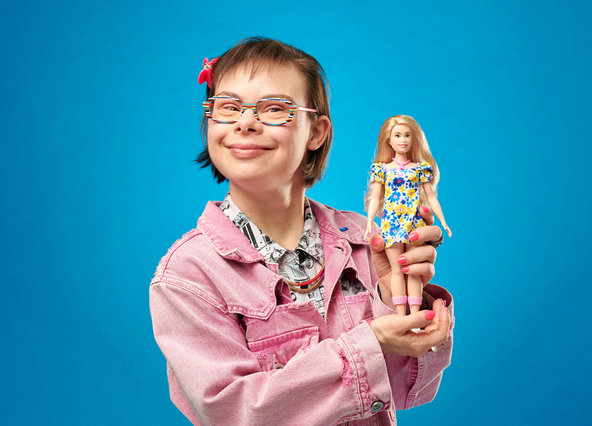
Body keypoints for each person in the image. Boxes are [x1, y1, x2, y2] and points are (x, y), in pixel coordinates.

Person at [149, 37, 454, 426]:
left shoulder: (361, 239)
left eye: (274, 108)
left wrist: (395, 298)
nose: (244, 122)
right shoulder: (187, 277)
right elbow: (234, 413)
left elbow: (409, 390)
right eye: (228, 107)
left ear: (316, 132)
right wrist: (370, 342)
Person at [365, 115, 452, 316]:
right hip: (391, 223)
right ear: (389, 139)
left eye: (407, 135)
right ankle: (401, 315)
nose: (403, 140)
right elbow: (376, 194)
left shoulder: (420, 169)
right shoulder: (383, 169)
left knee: (412, 269)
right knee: (397, 269)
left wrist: (444, 222)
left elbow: (430, 197)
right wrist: (370, 222)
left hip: (414, 222)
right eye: (397, 135)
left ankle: (414, 313)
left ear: (414, 139)